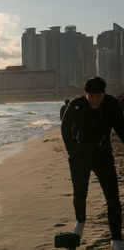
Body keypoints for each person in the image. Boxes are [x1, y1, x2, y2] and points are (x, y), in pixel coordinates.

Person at [61, 77, 124, 250]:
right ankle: (80, 223)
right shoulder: (76, 105)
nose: (95, 100)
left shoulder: (111, 104)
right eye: (91, 96)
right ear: (85, 94)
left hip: (103, 156)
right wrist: (72, 152)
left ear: (104, 93)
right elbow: (65, 129)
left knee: (113, 198)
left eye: (98, 96)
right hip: (79, 158)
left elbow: (121, 127)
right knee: (80, 194)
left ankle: (117, 240)